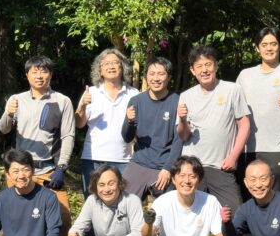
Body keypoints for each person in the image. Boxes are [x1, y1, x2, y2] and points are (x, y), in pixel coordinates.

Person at [0, 55, 75, 236]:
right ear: (27, 75)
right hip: (21, 170)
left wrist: (62, 167)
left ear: (50, 74)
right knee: (17, 216)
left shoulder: (62, 101)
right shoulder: (17, 99)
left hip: (49, 169)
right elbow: (4, 129)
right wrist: (8, 112)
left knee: (62, 217)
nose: (39, 75)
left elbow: (68, 136)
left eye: (44, 71)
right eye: (35, 71)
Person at [177, 45, 250, 210]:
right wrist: (182, 119)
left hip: (221, 165)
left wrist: (233, 157)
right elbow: (183, 136)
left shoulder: (233, 90)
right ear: (192, 70)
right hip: (192, 167)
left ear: (216, 65)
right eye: (199, 66)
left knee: (234, 214)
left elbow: (244, 125)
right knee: (189, 213)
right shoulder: (186, 96)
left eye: (208, 64)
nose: (204, 70)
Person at [236, 28, 280, 193]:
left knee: (275, 198)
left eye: (273, 44)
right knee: (250, 199)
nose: (269, 48)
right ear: (257, 48)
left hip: (277, 148)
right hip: (248, 148)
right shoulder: (245, 75)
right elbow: (235, 111)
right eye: (264, 44)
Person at [75, 48, 139, 196]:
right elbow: (79, 124)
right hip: (93, 158)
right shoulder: (91, 92)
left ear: (123, 68)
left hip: (124, 159)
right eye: (106, 64)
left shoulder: (134, 94)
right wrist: (83, 105)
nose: (111, 66)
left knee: (122, 205)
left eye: (116, 63)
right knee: (92, 202)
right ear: (100, 70)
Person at [121, 57, 183, 200]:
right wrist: (130, 122)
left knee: (165, 213)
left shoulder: (177, 101)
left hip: (164, 166)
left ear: (169, 77)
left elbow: (178, 140)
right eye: (152, 73)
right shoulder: (136, 101)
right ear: (146, 76)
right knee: (122, 205)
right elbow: (126, 137)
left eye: (161, 74)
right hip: (139, 163)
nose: (156, 78)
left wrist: (168, 168)